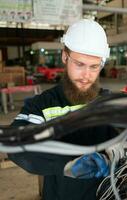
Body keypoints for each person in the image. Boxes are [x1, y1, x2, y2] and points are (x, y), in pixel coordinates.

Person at [8, 19, 121, 200]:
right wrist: (66, 165)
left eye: (94, 67)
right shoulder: (43, 105)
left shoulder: (110, 102)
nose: (86, 75)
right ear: (64, 57)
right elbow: (15, 144)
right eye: (79, 64)